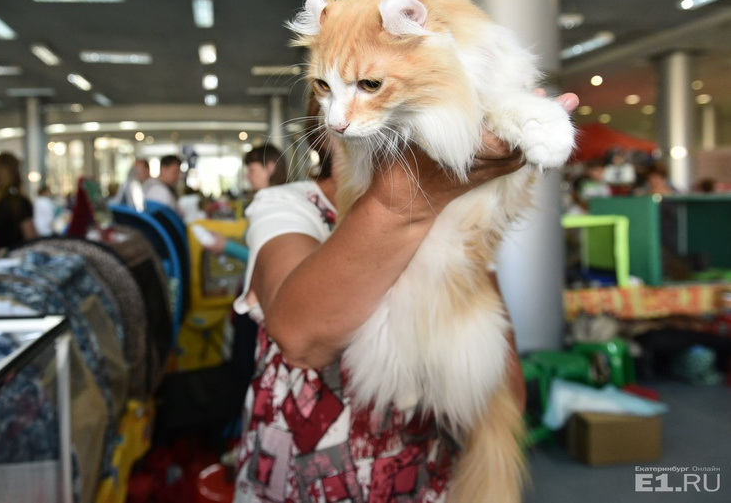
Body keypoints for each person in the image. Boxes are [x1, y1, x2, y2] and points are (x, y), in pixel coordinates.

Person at [231, 92, 579, 501]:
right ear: (325, 131)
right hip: (300, 479)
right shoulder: (287, 206)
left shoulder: (455, 224)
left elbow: (507, 394)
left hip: (418, 477)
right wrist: (409, 199)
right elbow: (300, 336)